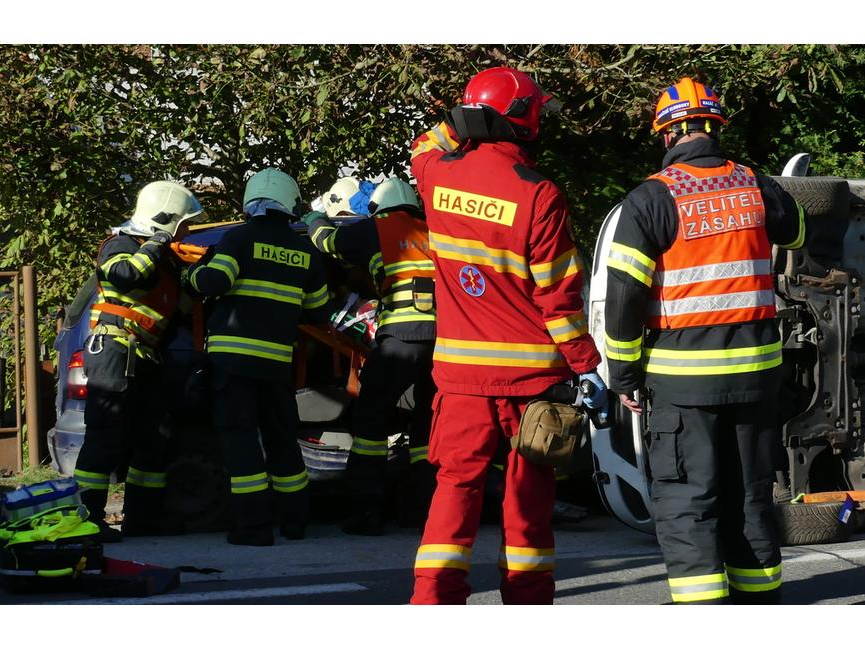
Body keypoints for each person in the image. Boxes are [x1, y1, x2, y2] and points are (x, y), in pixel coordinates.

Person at [407, 66, 606, 605]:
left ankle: (432, 603)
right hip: (533, 386)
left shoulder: (436, 176)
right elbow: (558, 301)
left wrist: (460, 123)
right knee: (527, 511)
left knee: (454, 495)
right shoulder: (540, 195)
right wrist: (586, 367)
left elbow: (423, 144)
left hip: (461, 384)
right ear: (524, 120)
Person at [604, 77, 806, 604]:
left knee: (687, 501)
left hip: (682, 383)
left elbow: (625, 296)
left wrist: (623, 375)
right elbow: (797, 231)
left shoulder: (651, 198)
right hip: (757, 377)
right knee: (751, 496)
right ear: (716, 127)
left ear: (668, 134)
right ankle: (758, 605)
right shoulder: (755, 185)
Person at [187, 168, 333, 546]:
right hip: (276, 366)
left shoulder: (239, 238)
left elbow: (213, 283)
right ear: (290, 205)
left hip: (233, 363)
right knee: (282, 438)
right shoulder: (305, 251)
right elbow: (318, 311)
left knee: (241, 441)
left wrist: (193, 273)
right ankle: (295, 521)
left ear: (252, 202)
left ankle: (253, 526)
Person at [304, 176, 438, 535]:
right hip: (443, 344)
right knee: (428, 428)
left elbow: (326, 241)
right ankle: (421, 512)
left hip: (400, 339)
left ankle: (366, 512)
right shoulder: (435, 231)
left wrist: (311, 217)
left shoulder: (375, 228)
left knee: (370, 422)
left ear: (378, 208)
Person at [74, 180, 205, 542]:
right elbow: (124, 274)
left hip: (146, 358)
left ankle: (143, 519)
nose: (188, 231)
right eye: (183, 224)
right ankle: (87, 520)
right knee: (105, 440)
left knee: (153, 439)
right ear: (166, 221)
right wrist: (157, 242)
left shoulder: (163, 264)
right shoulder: (121, 245)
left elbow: (179, 309)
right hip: (114, 351)